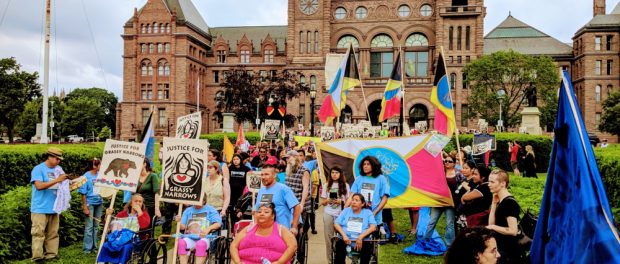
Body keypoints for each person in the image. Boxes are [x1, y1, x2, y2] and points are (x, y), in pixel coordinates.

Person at [30, 147, 68, 261]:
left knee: (53, 233)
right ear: (49, 157)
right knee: (38, 233)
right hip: (40, 207)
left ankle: (51, 255)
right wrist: (57, 180)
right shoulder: (38, 169)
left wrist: (71, 185)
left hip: (55, 207)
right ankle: (37, 257)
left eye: (60, 159)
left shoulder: (59, 169)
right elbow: (39, 186)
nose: (58, 161)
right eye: (57, 159)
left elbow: (62, 186)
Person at [231, 202, 298, 264]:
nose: (262, 214)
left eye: (266, 212)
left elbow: (293, 246)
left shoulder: (281, 229)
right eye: (259, 212)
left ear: (273, 216)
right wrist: (238, 262)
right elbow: (234, 245)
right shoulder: (249, 228)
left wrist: (279, 262)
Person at [422, 155, 464, 246]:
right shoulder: (440, 172)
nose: (447, 163)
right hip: (439, 201)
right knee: (432, 221)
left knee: (449, 224)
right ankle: (426, 241)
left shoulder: (458, 174)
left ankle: (449, 245)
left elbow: (463, 186)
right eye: (445, 161)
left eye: (449, 161)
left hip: (450, 203)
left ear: (454, 163)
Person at [254, 158, 302, 235]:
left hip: (282, 232)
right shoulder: (261, 191)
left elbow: (297, 207)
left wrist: (294, 227)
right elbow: (256, 211)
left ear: (274, 175)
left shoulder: (283, 189)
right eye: (262, 174)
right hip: (264, 232)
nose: (263, 177)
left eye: (266, 174)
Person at [487, 170, 522, 264]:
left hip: (509, 251)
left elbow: (513, 231)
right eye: (488, 181)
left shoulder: (509, 203)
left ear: (503, 183)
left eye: (492, 182)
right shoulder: (501, 201)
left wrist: (493, 227)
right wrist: (494, 204)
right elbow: (491, 224)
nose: (489, 184)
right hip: (501, 247)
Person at [175, 198, 222, 264]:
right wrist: (179, 222)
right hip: (190, 237)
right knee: (181, 243)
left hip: (204, 237)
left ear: (204, 201)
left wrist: (208, 229)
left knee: (201, 244)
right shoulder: (188, 210)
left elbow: (218, 224)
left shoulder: (211, 209)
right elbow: (182, 227)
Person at [333, 193, 377, 264]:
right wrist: (344, 236)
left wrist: (360, 237)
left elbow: (373, 227)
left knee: (366, 251)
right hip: (345, 239)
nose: (353, 202)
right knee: (339, 251)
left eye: (357, 200)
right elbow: (336, 223)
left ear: (362, 204)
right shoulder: (346, 211)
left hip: (363, 240)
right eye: (352, 200)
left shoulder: (368, 212)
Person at [347, 156, 389, 227]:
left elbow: (384, 199)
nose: (365, 166)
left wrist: (375, 212)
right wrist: (345, 208)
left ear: (374, 165)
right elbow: (351, 196)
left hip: (375, 216)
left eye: (368, 164)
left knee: (373, 237)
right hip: (359, 215)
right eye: (364, 164)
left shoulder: (381, 179)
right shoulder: (358, 179)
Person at [321, 166, 350, 263]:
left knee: (341, 238)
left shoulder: (345, 186)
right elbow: (322, 202)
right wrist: (328, 200)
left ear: (340, 174)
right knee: (328, 238)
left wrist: (340, 201)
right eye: (332, 172)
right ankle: (329, 260)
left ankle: (340, 259)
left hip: (341, 214)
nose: (334, 174)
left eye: (336, 173)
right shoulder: (326, 185)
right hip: (328, 213)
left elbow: (348, 201)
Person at [78, 158, 103, 254]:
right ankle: (87, 249)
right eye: (100, 165)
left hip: (99, 203)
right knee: (89, 226)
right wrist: (85, 207)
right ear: (94, 166)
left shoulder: (100, 175)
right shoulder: (86, 176)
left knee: (96, 226)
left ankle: (94, 247)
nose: (102, 167)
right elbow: (83, 193)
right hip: (90, 203)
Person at [284, 150, 312, 232]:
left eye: (288, 158)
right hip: (290, 204)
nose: (286, 160)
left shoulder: (304, 171)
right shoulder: (289, 169)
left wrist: (301, 205)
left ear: (294, 158)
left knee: (299, 229)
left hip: (299, 203)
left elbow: (306, 189)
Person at [229, 153, 251, 222]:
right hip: (232, 193)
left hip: (242, 193)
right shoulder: (229, 168)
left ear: (240, 160)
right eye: (234, 159)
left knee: (241, 209)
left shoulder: (246, 169)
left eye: (237, 159)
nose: (235, 161)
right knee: (232, 209)